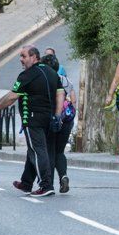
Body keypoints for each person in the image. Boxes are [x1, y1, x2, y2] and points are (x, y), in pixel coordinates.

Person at [0, 46, 64, 197]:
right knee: (33, 151)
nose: (21, 59)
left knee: (38, 151)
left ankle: (46, 185)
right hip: (49, 119)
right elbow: (60, 94)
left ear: (34, 57)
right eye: (20, 56)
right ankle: (26, 182)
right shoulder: (52, 73)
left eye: (23, 56)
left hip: (33, 119)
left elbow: (12, 97)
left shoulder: (26, 75)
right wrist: (57, 115)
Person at [42, 53, 75, 194]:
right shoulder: (66, 81)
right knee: (59, 151)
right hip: (67, 120)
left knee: (50, 150)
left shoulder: (45, 80)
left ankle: (48, 184)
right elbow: (73, 101)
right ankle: (64, 176)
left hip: (52, 119)